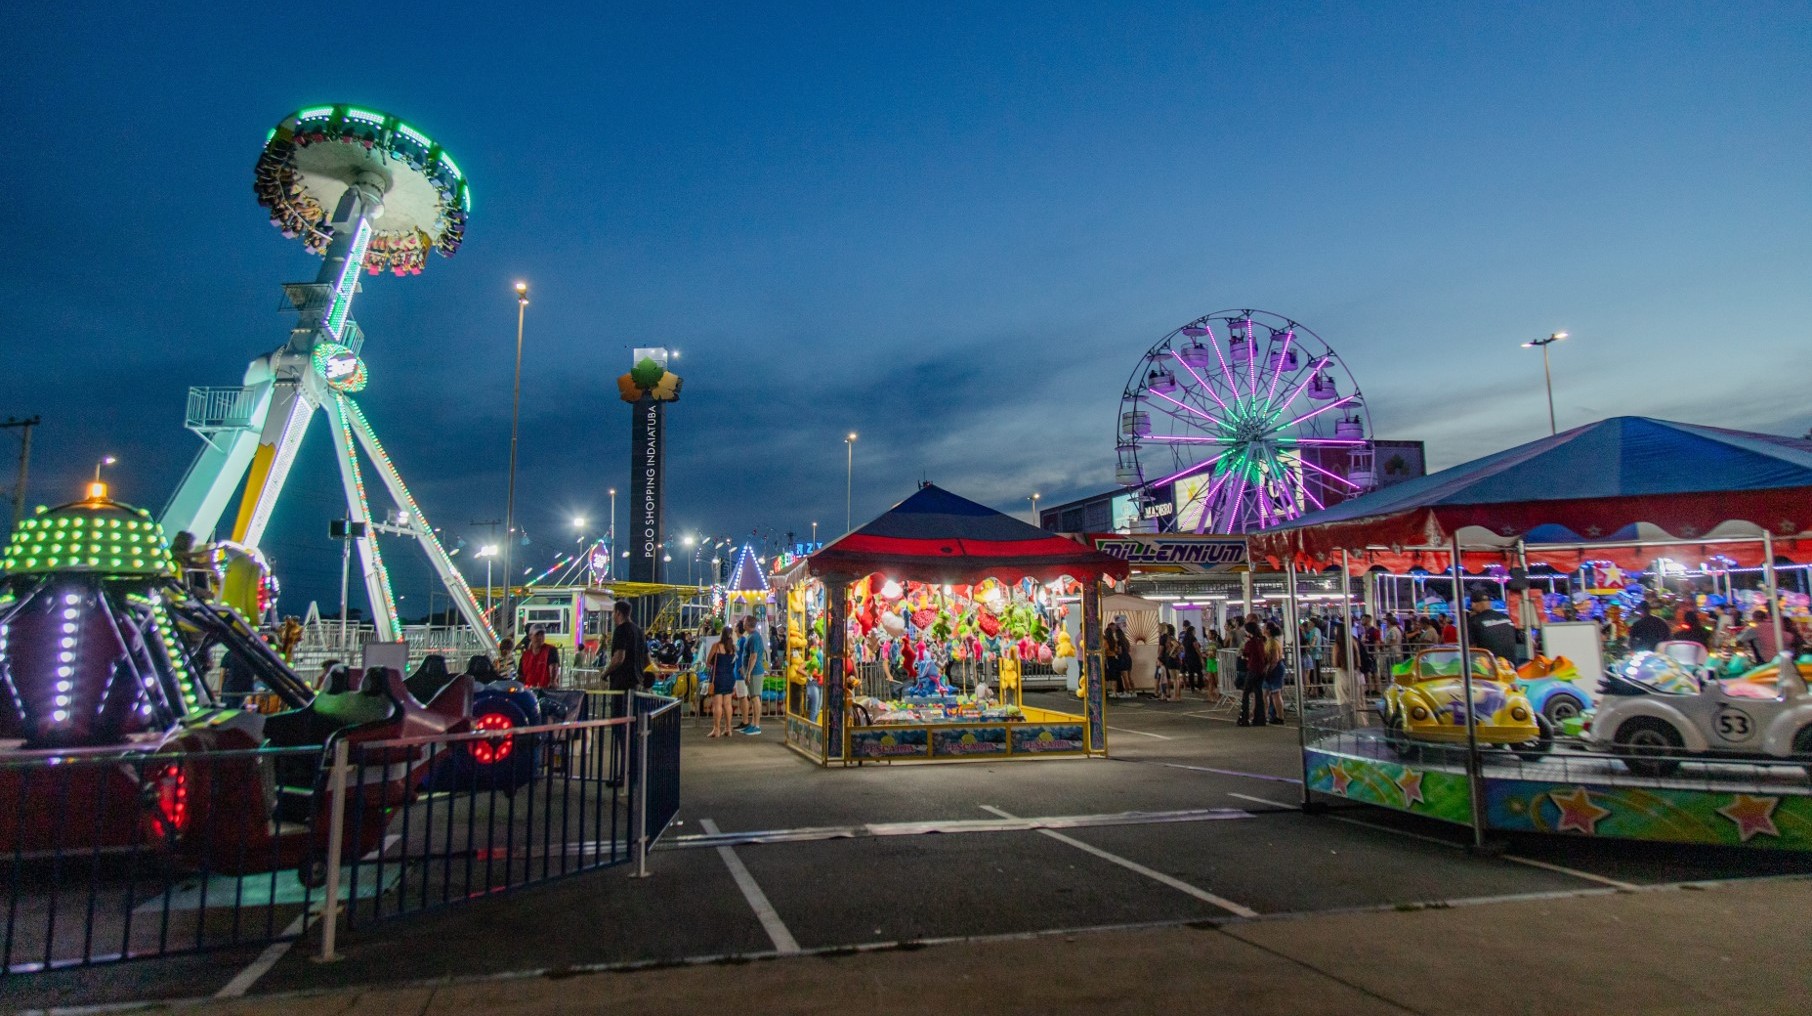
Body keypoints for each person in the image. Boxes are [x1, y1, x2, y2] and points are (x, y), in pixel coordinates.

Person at [605, 601, 647, 783]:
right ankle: (634, 771)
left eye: (614, 613)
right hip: (635, 684)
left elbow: (619, 657)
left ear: (618, 613)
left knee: (622, 730)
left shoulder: (621, 631)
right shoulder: (638, 631)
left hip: (621, 685)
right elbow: (646, 659)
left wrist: (605, 673)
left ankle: (624, 774)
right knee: (633, 730)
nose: (613, 616)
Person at [736, 616, 768, 734]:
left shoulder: (754, 637)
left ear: (748, 624)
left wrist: (748, 672)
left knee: (755, 698)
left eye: (744, 621)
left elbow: (753, 656)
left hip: (755, 672)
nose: (742, 622)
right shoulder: (752, 636)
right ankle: (753, 723)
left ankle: (756, 725)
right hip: (752, 671)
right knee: (753, 698)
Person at [705, 625, 739, 737]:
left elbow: (708, 661)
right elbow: (733, 664)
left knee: (718, 704)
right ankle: (728, 729)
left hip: (718, 677)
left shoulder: (716, 646)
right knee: (728, 704)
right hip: (730, 677)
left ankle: (717, 729)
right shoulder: (733, 648)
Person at [1237, 622, 1268, 726]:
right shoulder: (1260, 641)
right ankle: (1260, 718)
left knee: (1246, 693)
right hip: (1261, 670)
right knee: (1258, 694)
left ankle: (1244, 718)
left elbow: (1244, 654)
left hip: (1253, 669)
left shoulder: (1250, 643)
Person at [1263, 621, 1287, 724]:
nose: (1262, 629)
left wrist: (1268, 671)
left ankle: (1280, 717)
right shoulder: (1269, 641)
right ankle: (1264, 715)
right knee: (1265, 693)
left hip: (1275, 668)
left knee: (1275, 693)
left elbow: (1274, 659)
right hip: (1273, 667)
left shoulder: (1272, 642)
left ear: (1268, 630)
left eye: (1264, 627)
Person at [1180, 621, 1204, 692]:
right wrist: (1201, 657)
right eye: (1194, 631)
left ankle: (1192, 688)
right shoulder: (1193, 638)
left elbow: (1183, 648)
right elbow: (1197, 648)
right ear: (1192, 631)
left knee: (1190, 673)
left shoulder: (1184, 639)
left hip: (1187, 657)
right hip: (1194, 657)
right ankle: (1200, 686)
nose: (1195, 632)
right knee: (1199, 672)